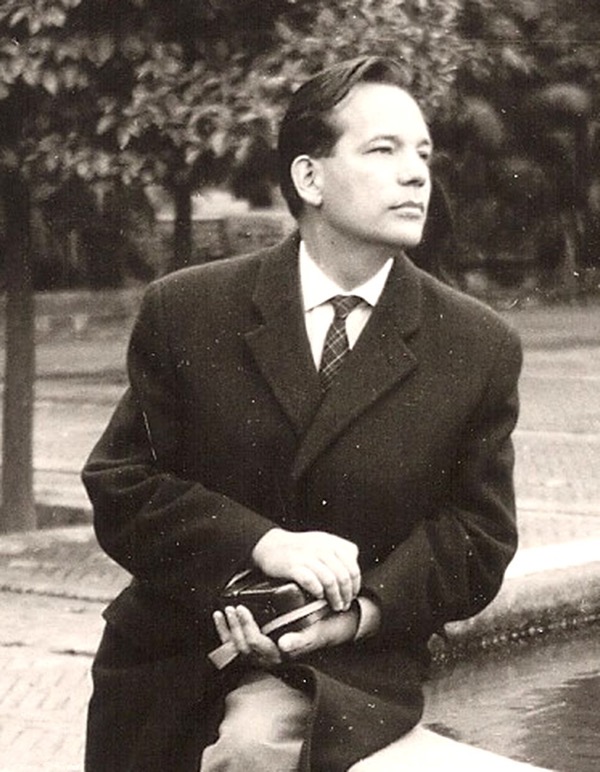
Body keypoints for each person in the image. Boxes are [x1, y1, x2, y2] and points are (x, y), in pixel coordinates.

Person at [82, 56, 523, 772]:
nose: (416, 174)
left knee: (255, 750)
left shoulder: (476, 345)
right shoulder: (188, 310)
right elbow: (122, 486)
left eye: (422, 154)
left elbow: (477, 537)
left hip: (342, 667)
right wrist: (262, 546)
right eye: (383, 150)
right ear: (309, 178)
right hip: (173, 652)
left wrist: (355, 615)